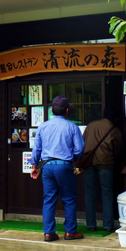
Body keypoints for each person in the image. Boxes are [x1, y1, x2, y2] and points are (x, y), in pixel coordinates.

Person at [29, 96, 85, 242]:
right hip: (64, 166)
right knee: (69, 199)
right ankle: (70, 232)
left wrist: (35, 166)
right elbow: (80, 149)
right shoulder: (72, 127)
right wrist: (71, 158)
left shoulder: (42, 126)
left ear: (52, 110)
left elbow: (36, 149)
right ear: (67, 111)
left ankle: (49, 233)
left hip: (47, 167)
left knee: (49, 200)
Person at [82, 107, 123, 232]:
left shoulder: (91, 125)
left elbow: (82, 142)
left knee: (89, 193)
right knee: (107, 194)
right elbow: (118, 152)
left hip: (89, 163)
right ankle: (108, 225)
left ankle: (91, 225)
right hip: (106, 164)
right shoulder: (116, 131)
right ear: (115, 118)